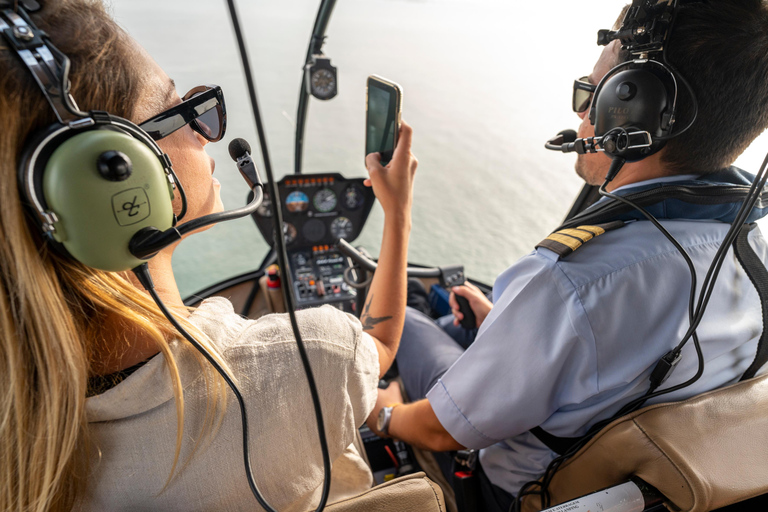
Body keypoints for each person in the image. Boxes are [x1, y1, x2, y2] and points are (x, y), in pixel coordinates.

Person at [0, 1, 418, 511]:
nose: (205, 130)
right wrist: (397, 212)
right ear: (117, 172)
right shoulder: (311, 358)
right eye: (179, 107)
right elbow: (382, 342)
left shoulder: (15, 430)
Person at [366, 1, 768, 511]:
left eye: (592, 92)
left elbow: (443, 431)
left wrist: (384, 414)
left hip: (511, 488)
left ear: (635, 108)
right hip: (632, 482)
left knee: (418, 325)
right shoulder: (757, 245)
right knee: (458, 318)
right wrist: (522, 332)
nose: (580, 112)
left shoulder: (574, 283)